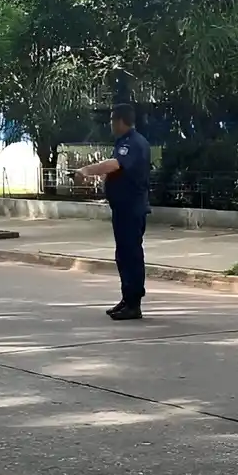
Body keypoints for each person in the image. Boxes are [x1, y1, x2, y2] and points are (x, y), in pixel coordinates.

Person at [74, 103, 151, 320]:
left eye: (111, 120)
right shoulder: (126, 142)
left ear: (119, 121)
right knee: (123, 255)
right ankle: (127, 298)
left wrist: (87, 170)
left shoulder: (133, 143)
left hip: (131, 208)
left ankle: (134, 303)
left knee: (131, 255)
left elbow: (115, 164)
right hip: (123, 208)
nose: (110, 124)